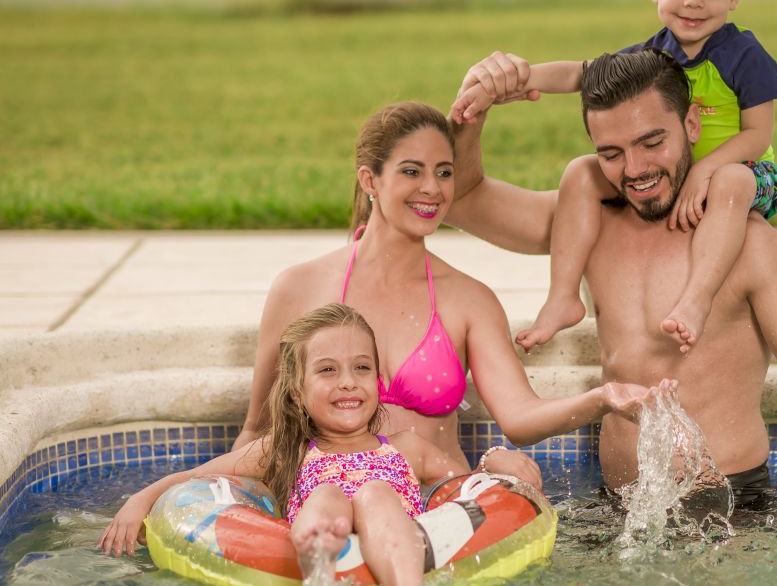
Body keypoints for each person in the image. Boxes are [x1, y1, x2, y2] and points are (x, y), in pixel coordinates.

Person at [447, 50, 777, 506]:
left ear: (691, 125)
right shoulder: (587, 226)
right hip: (617, 508)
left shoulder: (749, 246)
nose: (634, 170)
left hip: (730, 512)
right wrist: (472, 107)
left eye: (652, 143)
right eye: (611, 153)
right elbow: (465, 200)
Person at [232, 101, 657, 490]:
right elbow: (259, 428)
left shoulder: (469, 300)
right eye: (412, 171)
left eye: (445, 171)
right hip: (331, 503)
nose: (433, 189)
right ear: (370, 180)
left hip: (440, 508)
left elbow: (520, 416)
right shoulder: (300, 288)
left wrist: (602, 400)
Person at [452, 0, 777, 355]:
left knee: (733, 181)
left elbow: (758, 135)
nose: (692, 2)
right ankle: (562, 296)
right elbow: (579, 72)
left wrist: (706, 170)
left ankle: (697, 298)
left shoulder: (746, 56)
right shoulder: (651, 57)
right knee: (581, 172)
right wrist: (517, 78)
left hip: (744, 176)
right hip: (676, 174)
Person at [99, 304, 536, 586]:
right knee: (327, 495)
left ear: (376, 382)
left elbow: (463, 484)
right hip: (322, 523)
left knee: (374, 493)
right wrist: (140, 501)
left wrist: (496, 458)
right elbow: (197, 477)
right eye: (328, 370)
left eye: (361, 368)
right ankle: (318, 558)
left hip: (393, 530)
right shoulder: (286, 450)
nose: (348, 381)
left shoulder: (406, 448)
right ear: (296, 391)